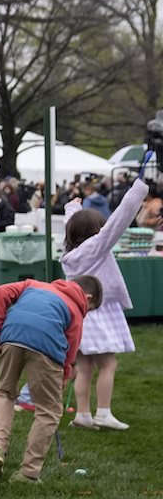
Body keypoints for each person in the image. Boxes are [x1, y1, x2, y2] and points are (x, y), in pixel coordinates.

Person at [0, 274, 103, 483]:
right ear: (88, 296)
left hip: (11, 336)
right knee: (48, 410)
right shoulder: (75, 310)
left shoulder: (33, 284)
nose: (87, 312)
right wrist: (64, 379)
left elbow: (1, 292)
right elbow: (70, 351)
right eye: (90, 308)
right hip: (46, 349)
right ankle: (28, 473)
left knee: (4, 392)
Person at [60, 178, 148, 430]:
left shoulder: (69, 252)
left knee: (85, 366)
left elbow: (72, 225)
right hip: (98, 311)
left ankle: (83, 415)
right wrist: (139, 189)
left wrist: (72, 207)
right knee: (108, 363)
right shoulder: (97, 245)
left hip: (79, 313)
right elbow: (121, 216)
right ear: (95, 231)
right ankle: (103, 413)